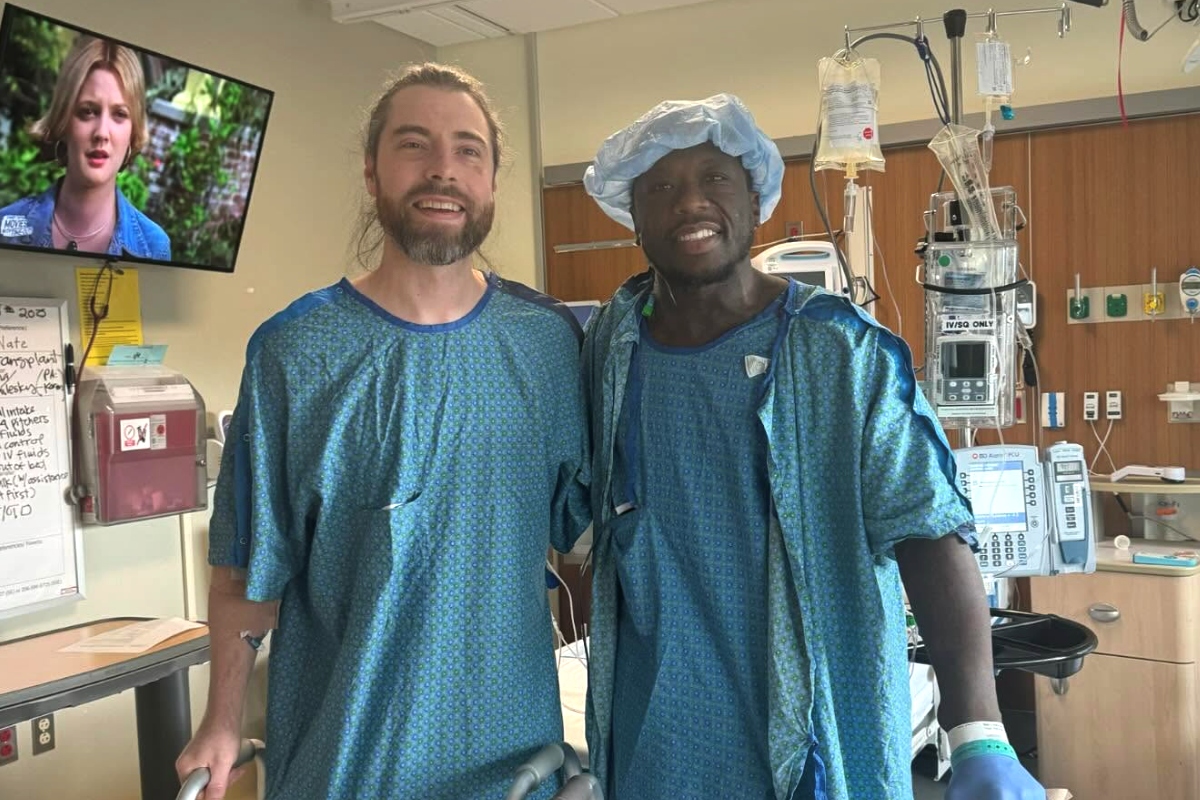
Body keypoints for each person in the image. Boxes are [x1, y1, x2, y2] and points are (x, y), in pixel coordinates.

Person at [579, 94, 1045, 800]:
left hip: (819, 738)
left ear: (756, 197)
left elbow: (928, 529)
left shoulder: (840, 351)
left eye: (715, 179)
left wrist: (978, 730)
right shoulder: (613, 346)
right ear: (632, 213)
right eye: (662, 188)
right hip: (659, 742)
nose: (690, 203)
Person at [175, 63, 589, 800]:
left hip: (511, 769)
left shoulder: (548, 346)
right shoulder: (294, 355)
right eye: (413, 145)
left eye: (468, 150)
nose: (443, 170)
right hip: (346, 764)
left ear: (493, 180)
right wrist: (221, 719)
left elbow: (589, 526)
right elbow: (244, 567)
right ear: (372, 172)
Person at [0, 35, 170, 261]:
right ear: (64, 121)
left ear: (133, 132)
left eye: (119, 114)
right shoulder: (5, 228)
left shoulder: (154, 247)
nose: (102, 133)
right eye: (88, 111)